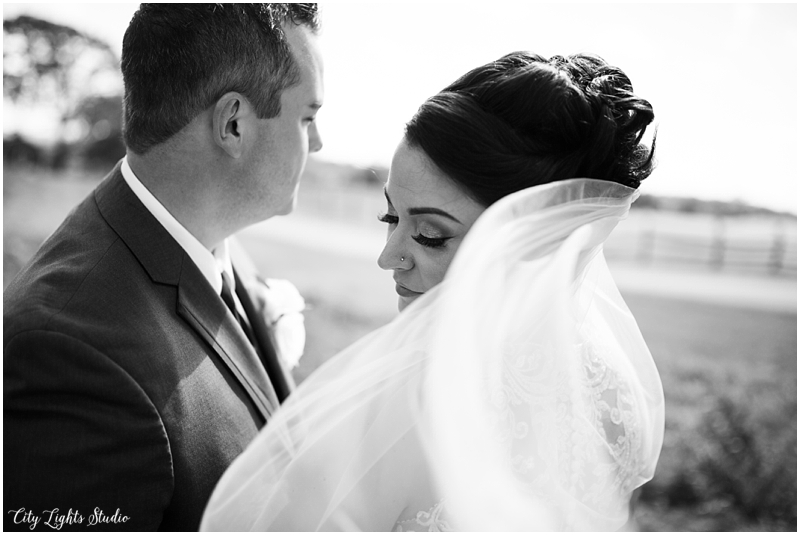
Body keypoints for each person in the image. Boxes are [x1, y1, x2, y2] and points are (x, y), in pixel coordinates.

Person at [200, 52, 665, 531]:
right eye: (391, 216)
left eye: (429, 235)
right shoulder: (613, 396)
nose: (388, 257)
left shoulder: (401, 405)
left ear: (532, 246)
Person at [4, 4, 322, 531]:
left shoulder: (209, 240)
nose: (317, 142)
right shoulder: (68, 350)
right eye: (307, 117)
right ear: (234, 123)